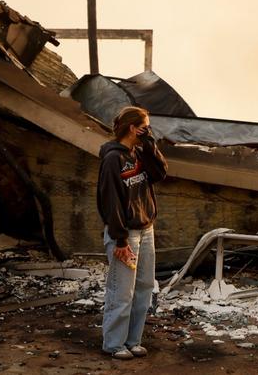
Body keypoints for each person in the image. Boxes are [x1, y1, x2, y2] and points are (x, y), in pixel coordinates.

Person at [97, 106, 167, 360]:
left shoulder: (139, 152)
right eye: (145, 127)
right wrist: (120, 239)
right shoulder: (112, 159)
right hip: (125, 234)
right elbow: (110, 202)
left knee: (144, 287)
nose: (148, 131)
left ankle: (132, 340)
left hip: (146, 229)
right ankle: (114, 344)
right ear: (131, 128)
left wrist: (150, 145)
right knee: (122, 290)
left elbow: (160, 173)